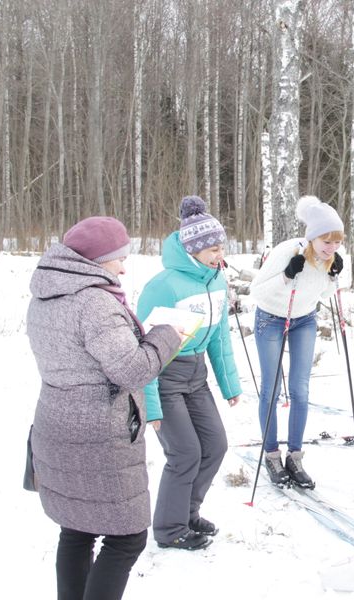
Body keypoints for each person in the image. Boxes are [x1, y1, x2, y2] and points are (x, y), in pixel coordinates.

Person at [27, 216, 184, 600]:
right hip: (97, 435)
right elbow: (131, 369)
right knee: (126, 537)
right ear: (96, 260)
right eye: (118, 258)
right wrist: (166, 336)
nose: (123, 267)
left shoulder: (45, 294)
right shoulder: (95, 302)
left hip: (55, 425)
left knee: (76, 529)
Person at [136, 196, 242, 550]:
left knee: (214, 445)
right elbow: (144, 348)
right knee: (185, 454)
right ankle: (169, 529)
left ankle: (187, 512)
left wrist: (229, 383)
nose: (218, 254)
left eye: (220, 246)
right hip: (165, 377)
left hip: (196, 378)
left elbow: (220, 338)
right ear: (192, 249)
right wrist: (150, 405)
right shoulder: (164, 286)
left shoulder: (216, 282)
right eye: (212, 248)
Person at [250, 195, 345, 488]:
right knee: (271, 389)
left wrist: (334, 275)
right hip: (271, 318)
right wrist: (286, 275)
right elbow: (257, 291)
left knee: (300, 390)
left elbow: (324, 295)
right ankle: (271, 455)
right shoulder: (286, 251)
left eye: (337, 241)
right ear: (312, 237)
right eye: (326, 241)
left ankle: (295, 456)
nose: (331, 247)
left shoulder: (331, 258)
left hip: (304, 320)